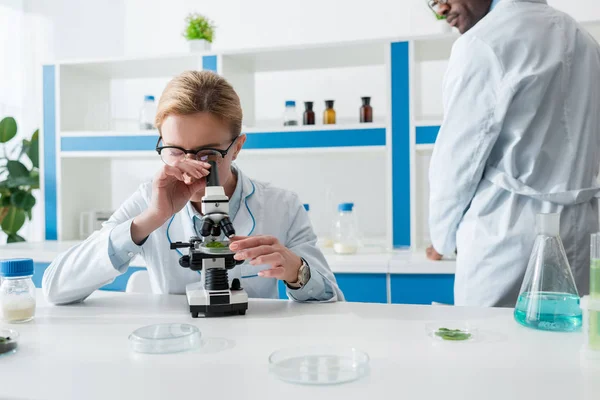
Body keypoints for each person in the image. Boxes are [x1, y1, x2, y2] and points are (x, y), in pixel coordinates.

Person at [43, 71, 344, 304]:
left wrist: (297, 271)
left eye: (208, 155)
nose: (190, 170)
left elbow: (332, 304)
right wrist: (149, 220)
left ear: (237, 147)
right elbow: (55, 287)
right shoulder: (149, 199)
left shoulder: (282, 207)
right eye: (175, 151)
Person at [426, 0, 600, 306]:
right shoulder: (583, 39)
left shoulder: (482, 44)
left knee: (491, 350)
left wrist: (442, 237)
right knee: (571, 349)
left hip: (505, 234)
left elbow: (457, 162)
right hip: (581, 233)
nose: (440, 9)